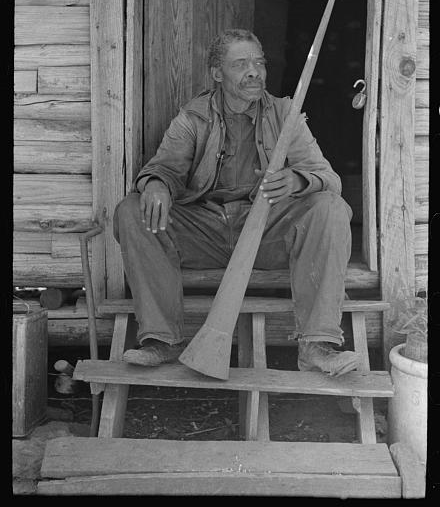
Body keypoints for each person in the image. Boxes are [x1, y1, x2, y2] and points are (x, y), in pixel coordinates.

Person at [113, 28, 358, 377]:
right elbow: (164, 168)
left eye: (259, 62)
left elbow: (328, 178)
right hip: (205, 232)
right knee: (132, 209)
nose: (254, 71)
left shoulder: (286, 115)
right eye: (241, 64)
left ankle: (317, 345)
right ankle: (162, 340)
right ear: (217, 74)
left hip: (265, 234)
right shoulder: (193, 118)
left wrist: (298, 180)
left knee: (330, 207)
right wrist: (154, 184)